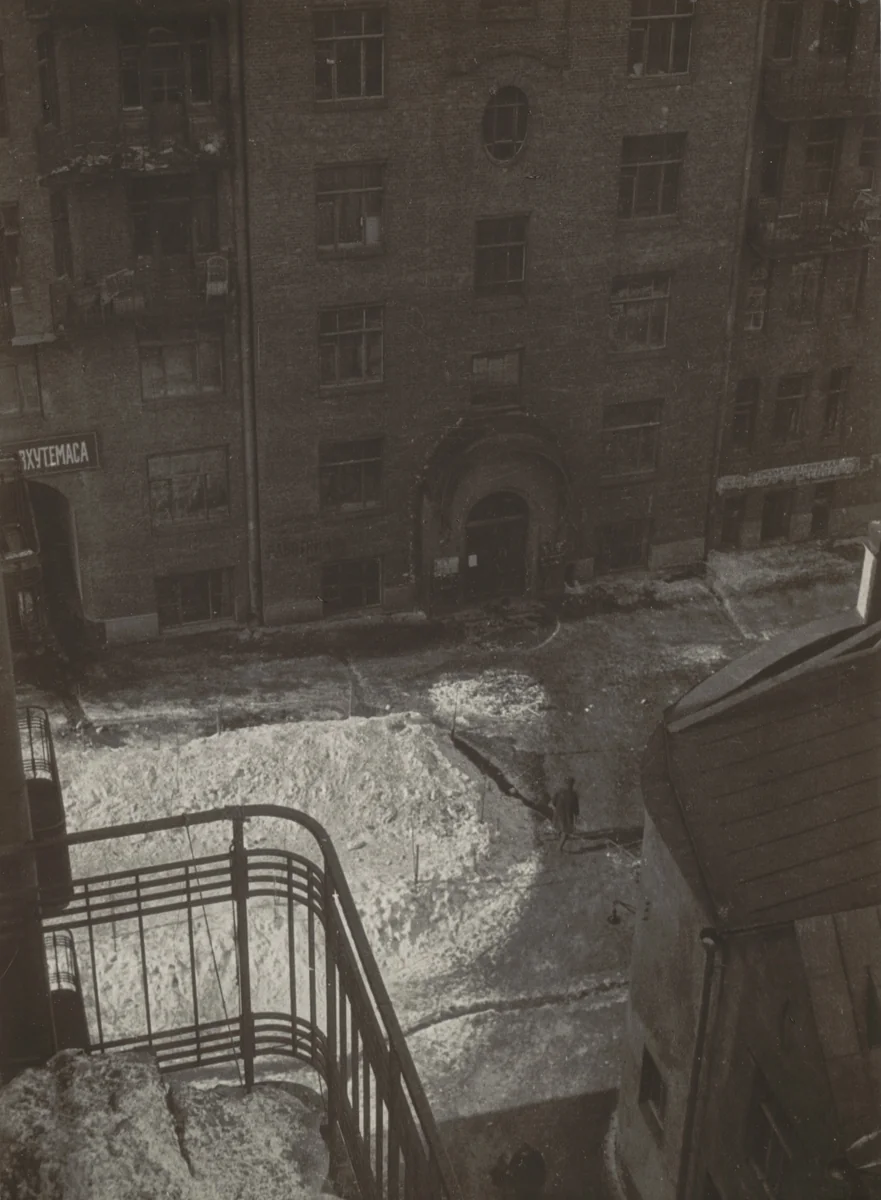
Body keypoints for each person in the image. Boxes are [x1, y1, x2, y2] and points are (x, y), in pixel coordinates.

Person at [551, 775, 579, 852]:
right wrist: (576, 815)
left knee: (560, 828)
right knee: (566, 832)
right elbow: (576, 808)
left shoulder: (559, 792)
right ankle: (559, 848)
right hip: (567, 815)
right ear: (572, 784)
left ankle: (558, 842)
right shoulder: (574, 794)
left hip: (558, 814)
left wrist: (558, 808)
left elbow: (553, 802)